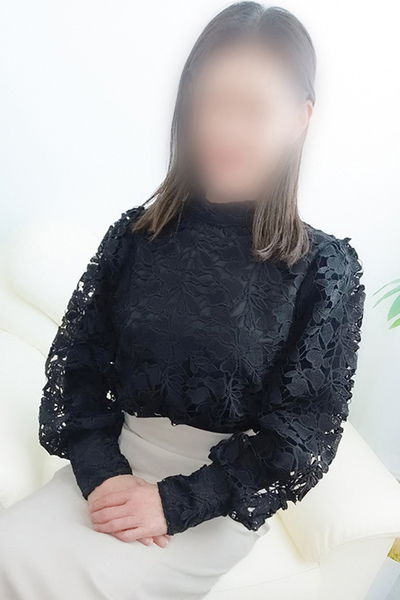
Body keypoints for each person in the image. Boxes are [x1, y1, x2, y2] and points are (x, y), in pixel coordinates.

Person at [0, 3, 365, 599]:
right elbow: (79, 374)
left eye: (252, 109)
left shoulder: (324, 270)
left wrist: (173, 503)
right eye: (210, 102)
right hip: (113, 467)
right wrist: (102, 474)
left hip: (215, 499)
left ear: (299, 119)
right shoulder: (135, 235)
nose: (224, 129)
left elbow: (300, 435)